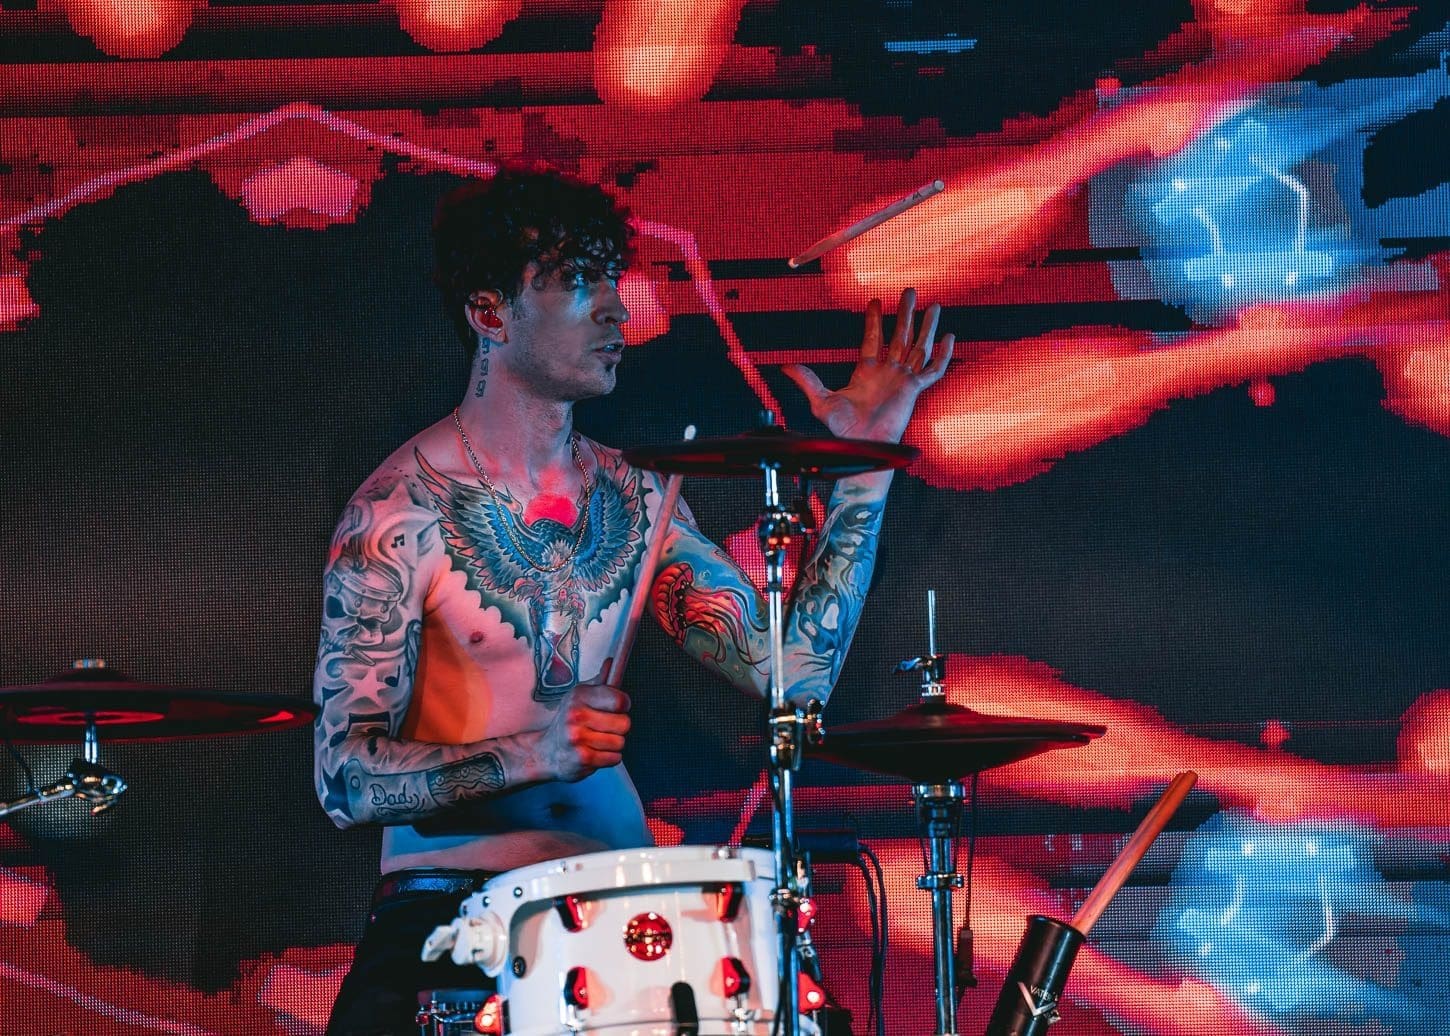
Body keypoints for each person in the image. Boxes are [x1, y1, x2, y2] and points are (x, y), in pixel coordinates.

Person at [312, 167, 954, 1034]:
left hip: (624, 927)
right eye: (579, 282)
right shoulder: (400, 514)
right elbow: (344, 780)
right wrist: (534, 753)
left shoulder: (636, 495)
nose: (617, 310)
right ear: (490, 312)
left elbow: (794, 679)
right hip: (455, 922)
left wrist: (865, 467)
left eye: (614, 280)